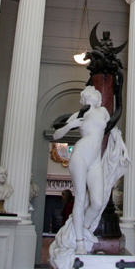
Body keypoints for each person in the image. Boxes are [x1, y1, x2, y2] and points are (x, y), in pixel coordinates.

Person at [52, 85, 110, 254]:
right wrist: (72, 125)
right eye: (87, 95)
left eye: (93, 95)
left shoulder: (103, 112)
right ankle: (79, 243)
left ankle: (82, 228)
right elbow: (56, 135)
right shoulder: (80, 115)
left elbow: (112, 123)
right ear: (84, 99)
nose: (91, 96)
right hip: (80, 156)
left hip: (95, 161)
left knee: (98, 202)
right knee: (80, 198)